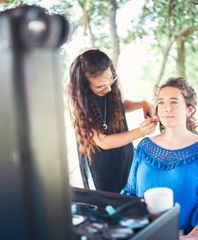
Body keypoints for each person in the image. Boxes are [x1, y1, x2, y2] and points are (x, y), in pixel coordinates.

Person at [121, 77, 198, 240]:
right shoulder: (144, 147)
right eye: (161, 102)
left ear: (189, 110)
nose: (166, 108)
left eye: (173, 102)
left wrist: (194, 237)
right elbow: (130, 193)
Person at [67, 49, 158, 193]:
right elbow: (103, 141)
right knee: (111, 205)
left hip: (124, 153)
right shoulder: (79, 103)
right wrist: (140, 132)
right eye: (100, 86)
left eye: (110, 80)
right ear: (84, 86)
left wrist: (141, 103)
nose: (109, 88)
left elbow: (119, 105)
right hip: (102, 163)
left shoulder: (112, 83)